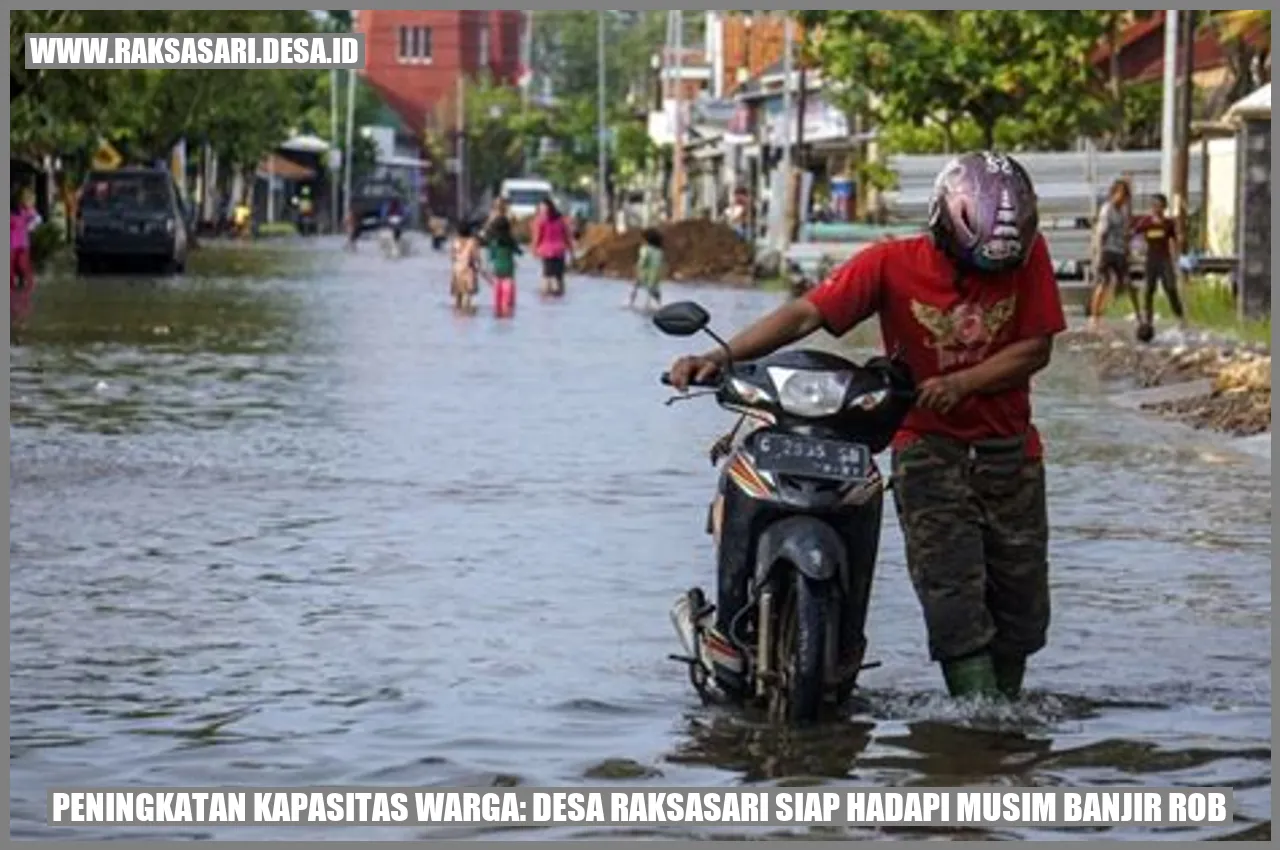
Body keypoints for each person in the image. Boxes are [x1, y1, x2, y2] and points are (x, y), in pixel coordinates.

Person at [668, 151, 1067, 701]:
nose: (986, 277)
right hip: (929, 449)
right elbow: (807, 314)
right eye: (975, 264)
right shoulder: (889, 264)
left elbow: (1035, 349)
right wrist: (722, 357)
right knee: (951, 596)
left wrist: (963, 383)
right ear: (944, 228)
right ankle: (981, 728)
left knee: (1021, 605)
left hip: (1010, 453)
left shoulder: (1029, 254)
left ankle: (1004, 715)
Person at [1131, 193, 1188, 338]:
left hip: (1165, 259)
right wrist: (1136, 251)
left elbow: (1176, 241)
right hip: (1151, 259)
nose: (1156, 208)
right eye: (1153, 205)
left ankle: (1180, 317)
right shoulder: (1145, 222)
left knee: (1170, 288)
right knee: (1149, 290)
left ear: (1164, 207)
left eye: (1159, 206)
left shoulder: (1168, 223)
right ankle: (1148, 322)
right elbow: (1133, 235)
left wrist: (1178, 256)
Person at [1087, 178, 1139, 333]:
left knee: (1127, 282)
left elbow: (1125, 232)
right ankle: (1094, 317)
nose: (1123, 199)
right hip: (1108, 250)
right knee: (1104, 282)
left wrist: (1127, 249)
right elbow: (1101, 233)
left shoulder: (1123, 211)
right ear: (1115, 194)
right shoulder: (1107, 209)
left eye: (1126, 196)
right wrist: (1099, 254)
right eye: (1122, 194)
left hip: (1120, 250)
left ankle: (1137, 315)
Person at [481, 198, 521, 317]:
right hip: (508, 267)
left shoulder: (494, 239)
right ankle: (507, 309)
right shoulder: (509, 236)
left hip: (497, 267)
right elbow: (518, 250)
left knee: (497, 289)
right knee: (508, 289)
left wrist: (486, 266)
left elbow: (489, 252)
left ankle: (499, 310)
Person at [531, 198, 573, 297]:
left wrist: (533, 250)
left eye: (542, 207)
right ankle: (560, 297)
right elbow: (567, 236)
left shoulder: (540, 220)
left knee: (547, 276)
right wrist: (571, 251)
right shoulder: (560, 219)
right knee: (559, 277)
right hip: (560, 251)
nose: (541, 209)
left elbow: (537, 237)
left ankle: (546, 298)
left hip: (547, 252)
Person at [10, 191, 41, 327]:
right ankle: (13, 294)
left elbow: (38, 219)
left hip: (22, 245)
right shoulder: (12, 213)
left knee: (23, 268)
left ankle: (27, 288)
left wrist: (29, 227)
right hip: (10, 246)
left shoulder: (26, 212)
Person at [450, 220, 484, 313]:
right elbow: (476, 257)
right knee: (467, 297)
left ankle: (457, 315)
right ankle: (466, 316)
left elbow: (452, 257)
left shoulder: (455, 241)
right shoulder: (472, 242)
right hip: (469, 271)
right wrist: (480, 267)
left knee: (458, 297)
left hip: (457, 270)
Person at [630, 228, 665, 310]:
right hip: (656, 274)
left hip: (645, 273)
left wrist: (637, 268)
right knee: (654, 290)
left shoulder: (645, 249)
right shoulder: (659, 251)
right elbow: (660, 263)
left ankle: (631, 303)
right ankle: (659, 305)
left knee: (636, 287)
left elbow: (642, 261)